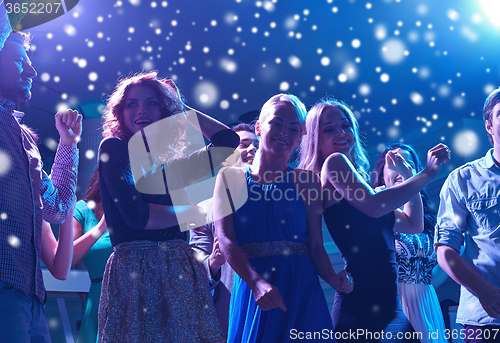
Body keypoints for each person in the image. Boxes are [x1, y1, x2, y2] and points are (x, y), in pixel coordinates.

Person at [97, 71, 239, 342]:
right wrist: (194, 213)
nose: (142, 111)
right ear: (121, 112)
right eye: (132, 104)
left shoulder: (170, 162)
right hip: (136, 271)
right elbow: (137, 216)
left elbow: (227, 142)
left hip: (180, 271)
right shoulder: (114, 147)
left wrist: (181, 109)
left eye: (152, 102)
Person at [299, 96, 450, 342]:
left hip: (391, 303)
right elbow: (375, 206)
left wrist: (410, 174)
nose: (341, 132)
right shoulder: (334, 163)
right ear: (316, 139)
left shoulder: (357, 181)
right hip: (361, 302)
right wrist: (426, 174)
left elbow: (414, 224)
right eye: (329, 128)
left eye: (346, 125)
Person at [214, 94, 353, 343]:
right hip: (254, 289)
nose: (284, 133)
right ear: (258, 127)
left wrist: (334, 279)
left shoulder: (308, 181)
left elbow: (315, 246)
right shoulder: (229, 178)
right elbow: (225, 240)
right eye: (276, 123)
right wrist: (255, 282)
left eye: (293, 128)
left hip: (301, 288)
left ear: (301, 136)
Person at [0, 31, 82, 342]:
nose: (32, 71)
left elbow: (58, 208)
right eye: (19, 62)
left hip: (32, 298)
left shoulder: (24, 139)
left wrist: (68, 144)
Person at [435, 87, 500, 342]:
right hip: (488, 318)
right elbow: (445, 250)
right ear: (489, 126)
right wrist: (482, 290)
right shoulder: (462, 179)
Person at [189, 122, 259, 335]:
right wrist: (214, 261)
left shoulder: (277, 199)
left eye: (256, 144)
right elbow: (194, 272)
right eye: (244, 144)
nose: (252, 149)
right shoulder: (203, 210)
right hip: (229, 311)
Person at [373, 143, 447, 343]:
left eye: (405, 163)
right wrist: (410, 179)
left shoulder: (426, 212)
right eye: (393, 162)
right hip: (393, 301)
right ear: (381, 175)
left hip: (425, 301)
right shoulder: (376, 204)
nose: (400, 167)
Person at [70, 168, 111, 343]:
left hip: (136, 298)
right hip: (98, 300)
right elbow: (66, 259)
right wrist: (100, 228)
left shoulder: (138, 208)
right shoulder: (83, 210)